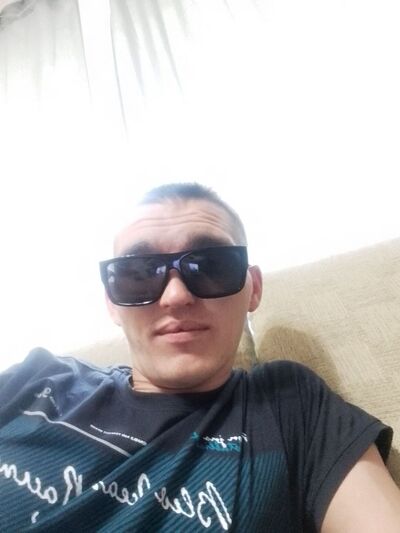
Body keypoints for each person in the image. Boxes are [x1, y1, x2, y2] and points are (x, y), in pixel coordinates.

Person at [0, 182, 399, 532]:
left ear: (253, 288)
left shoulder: (289, 404)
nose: (176, 296)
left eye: (211, 266)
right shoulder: (37, 378)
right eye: (138, 274)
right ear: (111, 303)